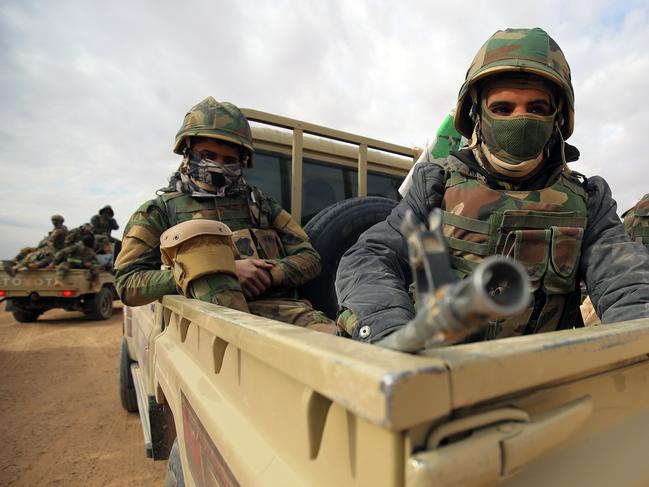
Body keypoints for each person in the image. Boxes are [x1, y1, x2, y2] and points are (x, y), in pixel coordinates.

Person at [335, 27, 649, 343]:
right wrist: (390, 333)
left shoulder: (588, 202)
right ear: (477, 114)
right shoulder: (435, 187)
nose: (521, 119)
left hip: (542, 377)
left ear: (557, 117)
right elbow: (370, 257)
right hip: (441, 375)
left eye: (537, 109)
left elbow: (626, 281)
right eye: (502, 108)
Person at [114, 97, 335, 333]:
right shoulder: (159, 212)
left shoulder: (260, 205)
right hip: (204, 330)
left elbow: (309, 258)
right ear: (188, 150)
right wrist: (221, 271)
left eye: (229, 160)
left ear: (242, 160)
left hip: (284, 319)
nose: (218, 165)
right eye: (208, 155)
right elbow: (128, 284)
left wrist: (267, 273)